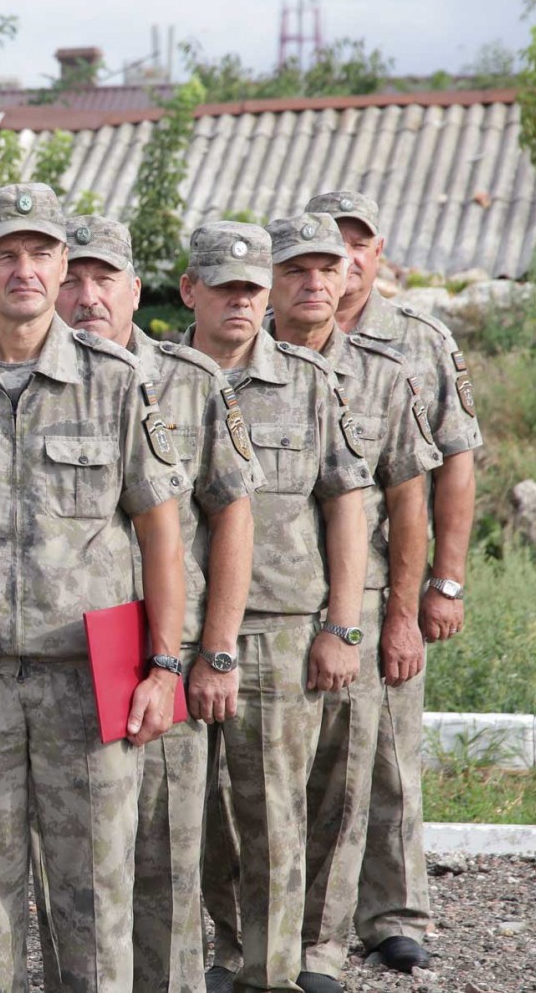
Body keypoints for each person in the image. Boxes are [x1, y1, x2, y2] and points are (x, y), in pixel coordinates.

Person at [0, 182, 190, 992]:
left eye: (41, 252)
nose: (25, 268)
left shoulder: (115, 382)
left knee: (94, 901)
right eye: (6, 253)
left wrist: (166, 666)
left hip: (90, 681)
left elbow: (160, 531)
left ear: (62, 266)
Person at [54, 215, 262, 992]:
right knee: (78, 863)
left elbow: (233, 515)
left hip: (159, 651)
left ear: (134, 290)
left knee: (167, 856)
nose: (85, 295)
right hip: (72, 654)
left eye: (102, 278)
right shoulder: (39, 379)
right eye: (71, 277)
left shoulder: (190, 383)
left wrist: (215, 650)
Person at [181, 222, 373, 993]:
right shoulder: (149, 378)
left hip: (281, 627)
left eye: (250, 289)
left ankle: (274, 966)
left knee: (272, 810)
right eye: (223, 287)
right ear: (189, 289)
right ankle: (226, 948)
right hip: (176, 629)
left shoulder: (309, 382)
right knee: (191, 814)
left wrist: (341, 624)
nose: (239, 300)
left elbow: (347, 509)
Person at [261, 213, 441, 993]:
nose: (312, 284)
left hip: (355, 606)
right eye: (295, 270)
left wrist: (402, 612)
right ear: (271, 278)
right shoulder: (229, 364)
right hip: (257, 608)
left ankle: (323, 945)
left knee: (346, 782)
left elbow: (408, 503)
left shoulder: (382, 373)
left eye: (326, 269)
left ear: (348, 278)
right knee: (258, 785)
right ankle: (251, 938)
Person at [306, 190, 483, 976]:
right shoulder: (276, 338)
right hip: (287, 584)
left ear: (379, 252)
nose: (342, 258)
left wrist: (442, 586)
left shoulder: (417, 340)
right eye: (325, 244)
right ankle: (302, 920)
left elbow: (453, 467)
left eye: (357, 243)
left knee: (386, 757)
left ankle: (392, 911)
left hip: (384, 582)